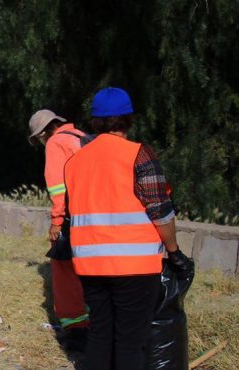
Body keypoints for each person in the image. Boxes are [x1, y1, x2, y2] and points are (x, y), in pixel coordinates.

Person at [64, 87, 192, 369]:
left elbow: (74, 210)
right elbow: (160, 210)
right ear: (128, 119)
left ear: (95, 121)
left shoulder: (74, 162)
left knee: (99, 335)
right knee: (130, 342)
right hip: (134, 266)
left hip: (89, 265)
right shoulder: (139, 155)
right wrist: (174, 252)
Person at [27, 109, 89, 350]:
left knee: (64, 271)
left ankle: (76, 331)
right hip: (94, 216)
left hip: (71, 217)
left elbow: (57, 186)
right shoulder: (81, 136)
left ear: (43, 133)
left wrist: (56, 221)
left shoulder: (56, 143)